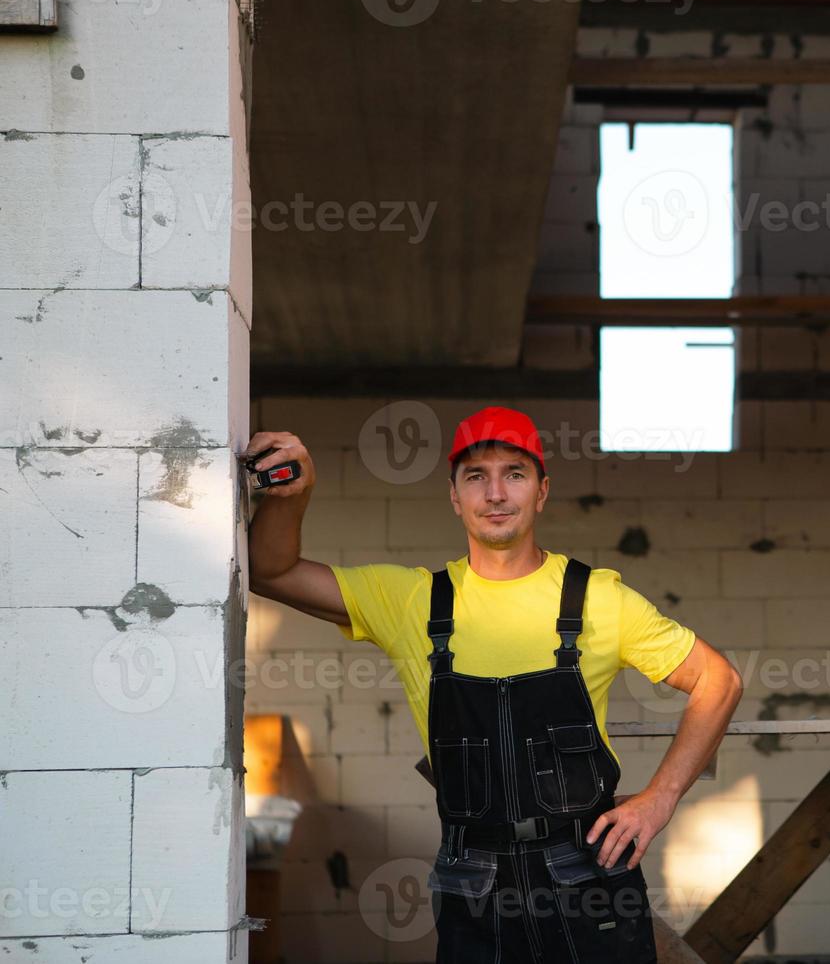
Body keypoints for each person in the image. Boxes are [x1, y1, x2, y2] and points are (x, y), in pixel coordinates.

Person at [245, 405, 743, 962]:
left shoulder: (598, 598)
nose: (496, 493)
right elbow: (272, 571)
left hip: (589, 879)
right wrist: (293, 493)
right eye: (476, 477)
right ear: (455, 497)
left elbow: (717, 680)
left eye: (515, 473)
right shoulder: (411, 601)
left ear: (542, 492)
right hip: (473, 885)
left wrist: (660, 798)